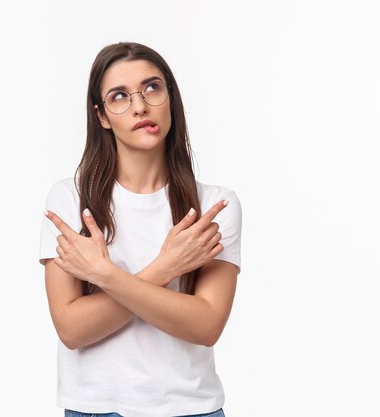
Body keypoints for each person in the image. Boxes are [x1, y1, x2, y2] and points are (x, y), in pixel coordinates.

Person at [38, 41, 242, 417]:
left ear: (170, 97)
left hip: (191, 408)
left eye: (152, 87)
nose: (139, 106)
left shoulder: (215, 206)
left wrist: (104, 276)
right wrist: (166, 268)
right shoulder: (70, 199)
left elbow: (206, 324)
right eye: (119, 96)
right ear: (101, 116)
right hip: (95, 409)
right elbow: (71, 329)